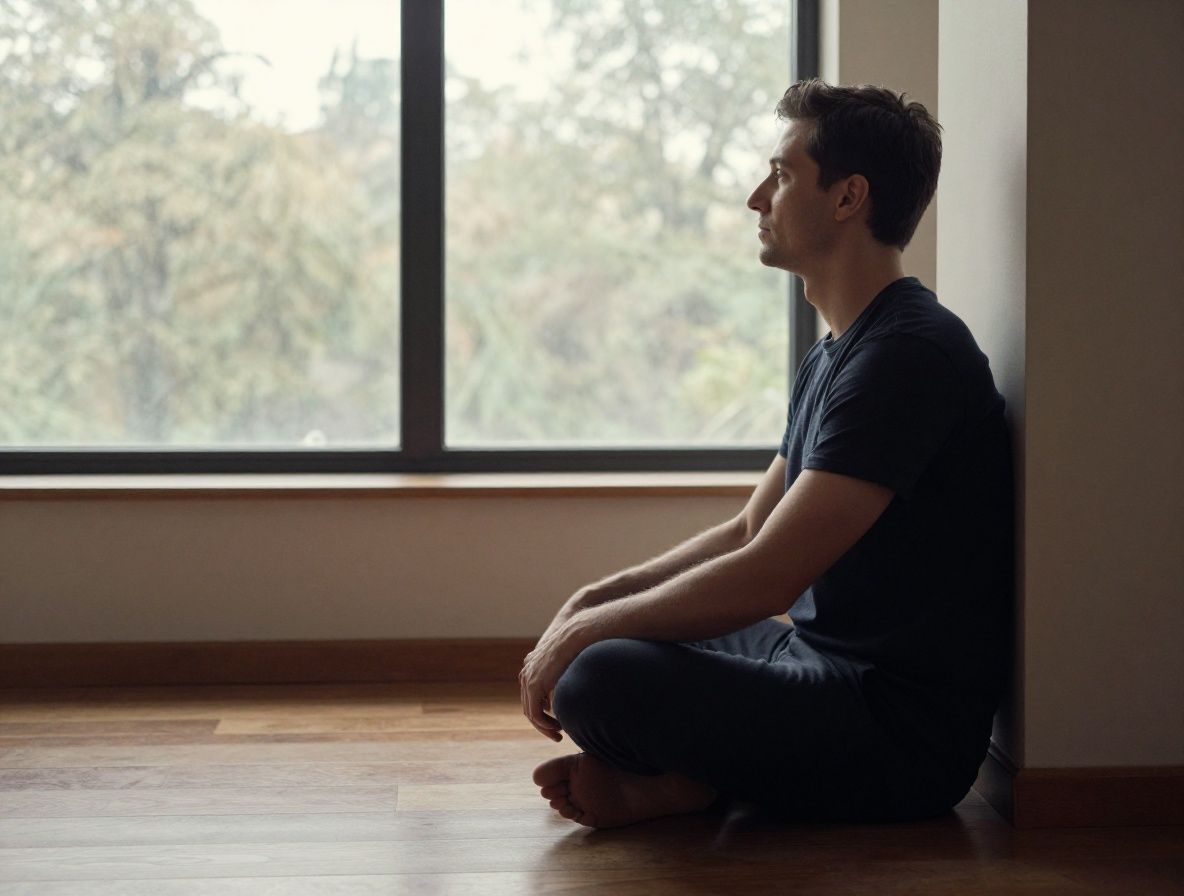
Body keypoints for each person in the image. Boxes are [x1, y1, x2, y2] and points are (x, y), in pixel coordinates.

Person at [520, 78, 1015, 829]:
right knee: (632, 627)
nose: (758, 197)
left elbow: (771, 574)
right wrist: (591, 602)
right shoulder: (839, 354)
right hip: (812, 663)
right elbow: (749, 531)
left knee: (600, 675)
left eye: (781, 175)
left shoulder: (910, 354)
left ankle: (703, 780)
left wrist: (590, 633)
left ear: (849, 198)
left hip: (894, 730)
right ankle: (698, 781)